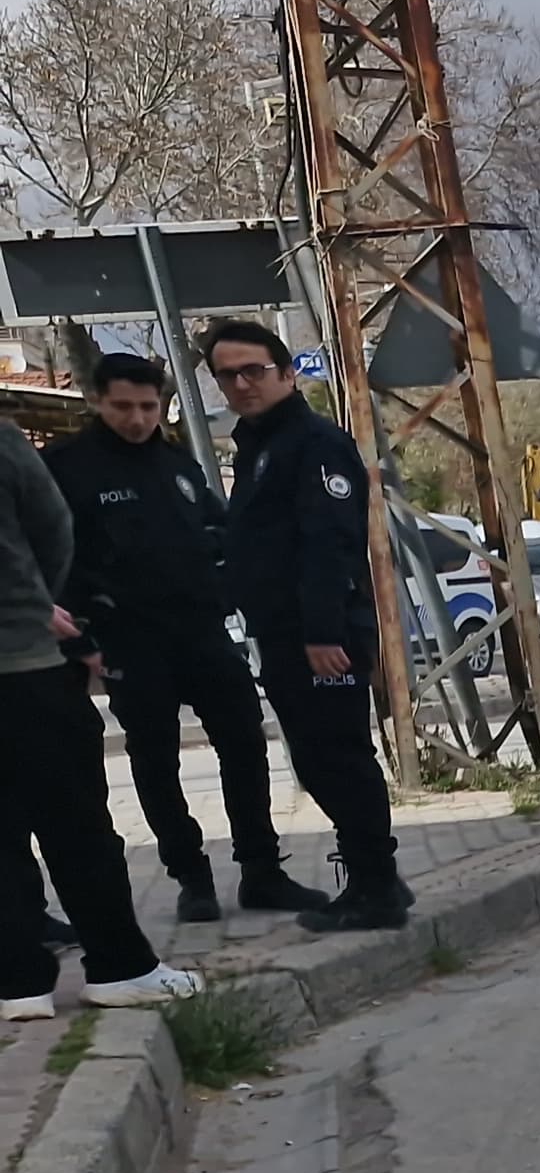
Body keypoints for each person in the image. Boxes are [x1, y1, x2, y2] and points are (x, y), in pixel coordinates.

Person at [45, 355, 328, 923]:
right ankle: (191, 877)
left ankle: (262, 870)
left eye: (147, 407)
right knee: (155, 758)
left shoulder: (176, 463)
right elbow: (52, 559)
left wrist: (226, 587)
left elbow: (218, 531)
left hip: (201, 631)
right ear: (97, 401)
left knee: (245, 742)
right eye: (123, 406)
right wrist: (83, 640)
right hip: (127, 638)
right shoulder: (65, 467)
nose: (136, 419)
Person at [202, 318, 407, 932]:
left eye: (254, 370)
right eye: (227, 375)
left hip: (320, 634)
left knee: (336, 760)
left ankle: (374, 889)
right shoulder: (260, 446)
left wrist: (322, 631)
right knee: (318, 760)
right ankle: (378, 877)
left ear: (288, 374)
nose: (242, 384)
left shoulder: (313, 444)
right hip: (283, 632)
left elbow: (328, 542)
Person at [0, 424, 202, 1021]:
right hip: (24, 662)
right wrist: (33, 602)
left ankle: (18, 981)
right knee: (77, 823)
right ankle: (120, 966)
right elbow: (53, 528)